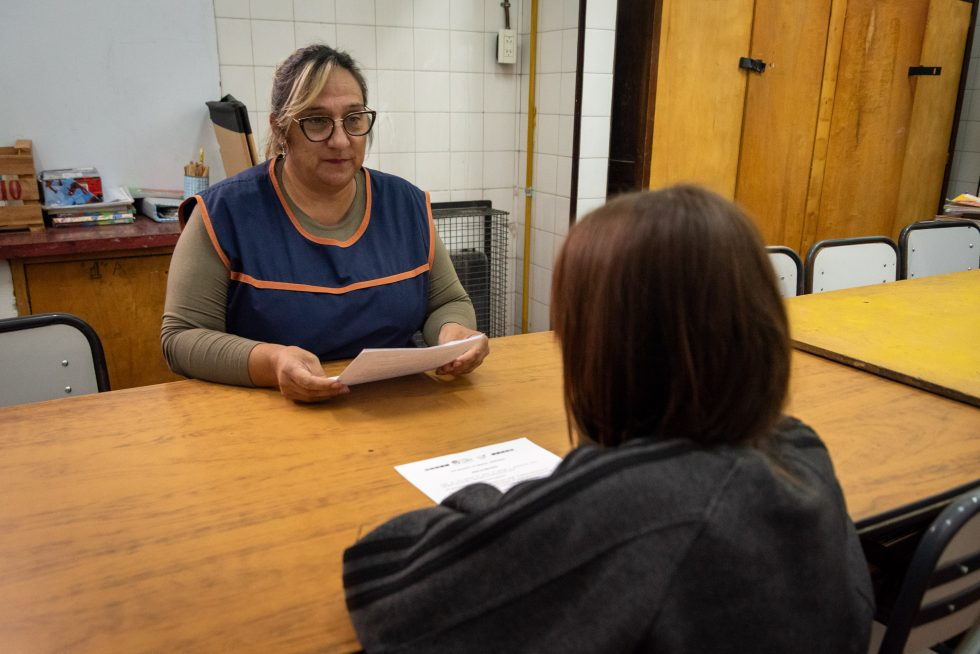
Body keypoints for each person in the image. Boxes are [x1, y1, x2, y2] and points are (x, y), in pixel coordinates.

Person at [342, 186, 874, 652]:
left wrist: (523, 504)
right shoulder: (799, 447)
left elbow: (381, 580)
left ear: (610, 354)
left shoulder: (636, 504)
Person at [161, 45, 489, 402]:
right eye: (317, 121)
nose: (340, 140)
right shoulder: (223, 214)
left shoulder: (406, 205)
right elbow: (182, 336)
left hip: (398, 407)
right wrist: (272, 362)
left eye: (354, 119)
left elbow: (446, 301)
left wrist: (453, 333)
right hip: (273, 412)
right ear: (280, 129)